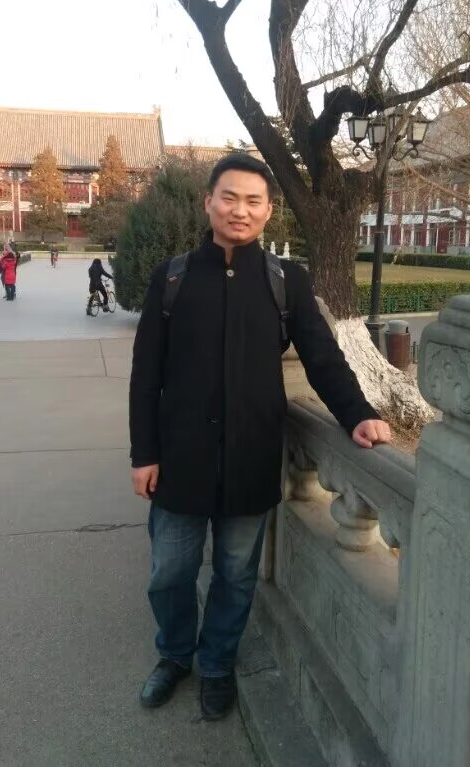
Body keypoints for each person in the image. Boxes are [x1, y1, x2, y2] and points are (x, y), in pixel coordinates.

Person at [130, 153, 391, 721]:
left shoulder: (285, 282)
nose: (240, 210)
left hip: (250, 457)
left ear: (269, 211)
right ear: (208, 202)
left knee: (235, 573)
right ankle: (174, 654)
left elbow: (322, 357)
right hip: (179, 458)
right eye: (229, 197)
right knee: (169, 572)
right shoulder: (172, 278)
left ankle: (217, 664)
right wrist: (143, 453)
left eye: (253, 201)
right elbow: (146, 373)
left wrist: (358, 413)